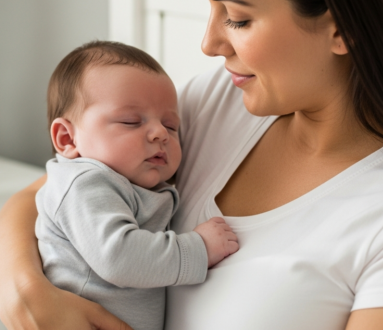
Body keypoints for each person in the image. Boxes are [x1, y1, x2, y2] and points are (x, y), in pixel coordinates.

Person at [0, 0, 383, 328]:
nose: (208, 43)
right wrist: (23, 289)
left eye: (238, 18)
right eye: (211, 8)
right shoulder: (218, 102)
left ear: (341, 26)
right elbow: (45, 194)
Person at [36, 41, 238, 330]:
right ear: (68, 139)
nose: (160, 134)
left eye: (170, 125)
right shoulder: (85, 183)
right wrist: (198, 248)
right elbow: (117, 257)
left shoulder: (129, 182)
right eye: (131, 121)